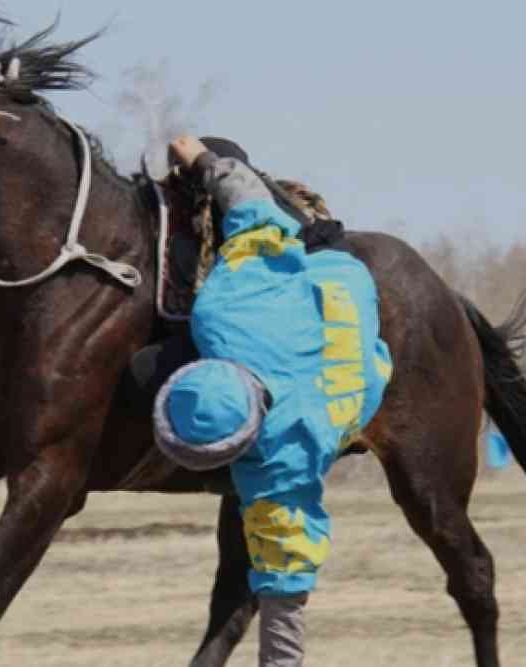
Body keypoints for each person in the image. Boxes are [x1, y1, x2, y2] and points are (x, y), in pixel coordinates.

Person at [151, 136, 394, 666]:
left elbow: (287, 583)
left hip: (349, 369)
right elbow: (250, 201)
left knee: (370, 379)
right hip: (340, 280)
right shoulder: (225, 310)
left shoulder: (282, 464)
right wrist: (204, 158)